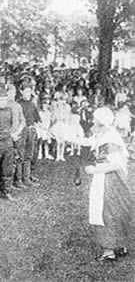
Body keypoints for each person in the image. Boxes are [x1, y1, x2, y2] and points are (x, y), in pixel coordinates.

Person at [69, 107, 134, 261]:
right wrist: (67, 137)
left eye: (95, 118)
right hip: (108, 178)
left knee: (106, 212)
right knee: (114, 211)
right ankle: (119, 244)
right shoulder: (105, 132)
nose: (93, 120)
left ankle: (109, 250)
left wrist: (93, 170)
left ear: (101, 120)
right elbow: (88, 141)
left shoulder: (109, 138)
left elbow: (116, 164)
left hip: (109, 180)